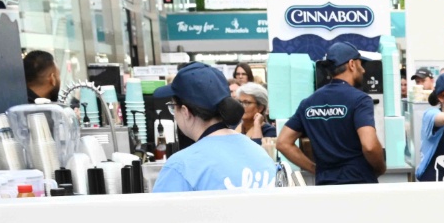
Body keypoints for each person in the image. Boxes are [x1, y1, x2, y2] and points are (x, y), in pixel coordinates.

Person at [151, 63, 276, 193]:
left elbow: (159, 212)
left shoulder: (180, 167)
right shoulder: (260, 154)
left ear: (185, 111)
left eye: (173, 107)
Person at [277, 42, 385, 185]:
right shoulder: (360, 99)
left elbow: (283, 142)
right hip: (359, 184)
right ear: (352, 64)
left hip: (325, 185)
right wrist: (380, 168)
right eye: (361, 64)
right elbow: (369, 145)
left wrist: (315, 169)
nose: (364, 70)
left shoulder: (309, 103)